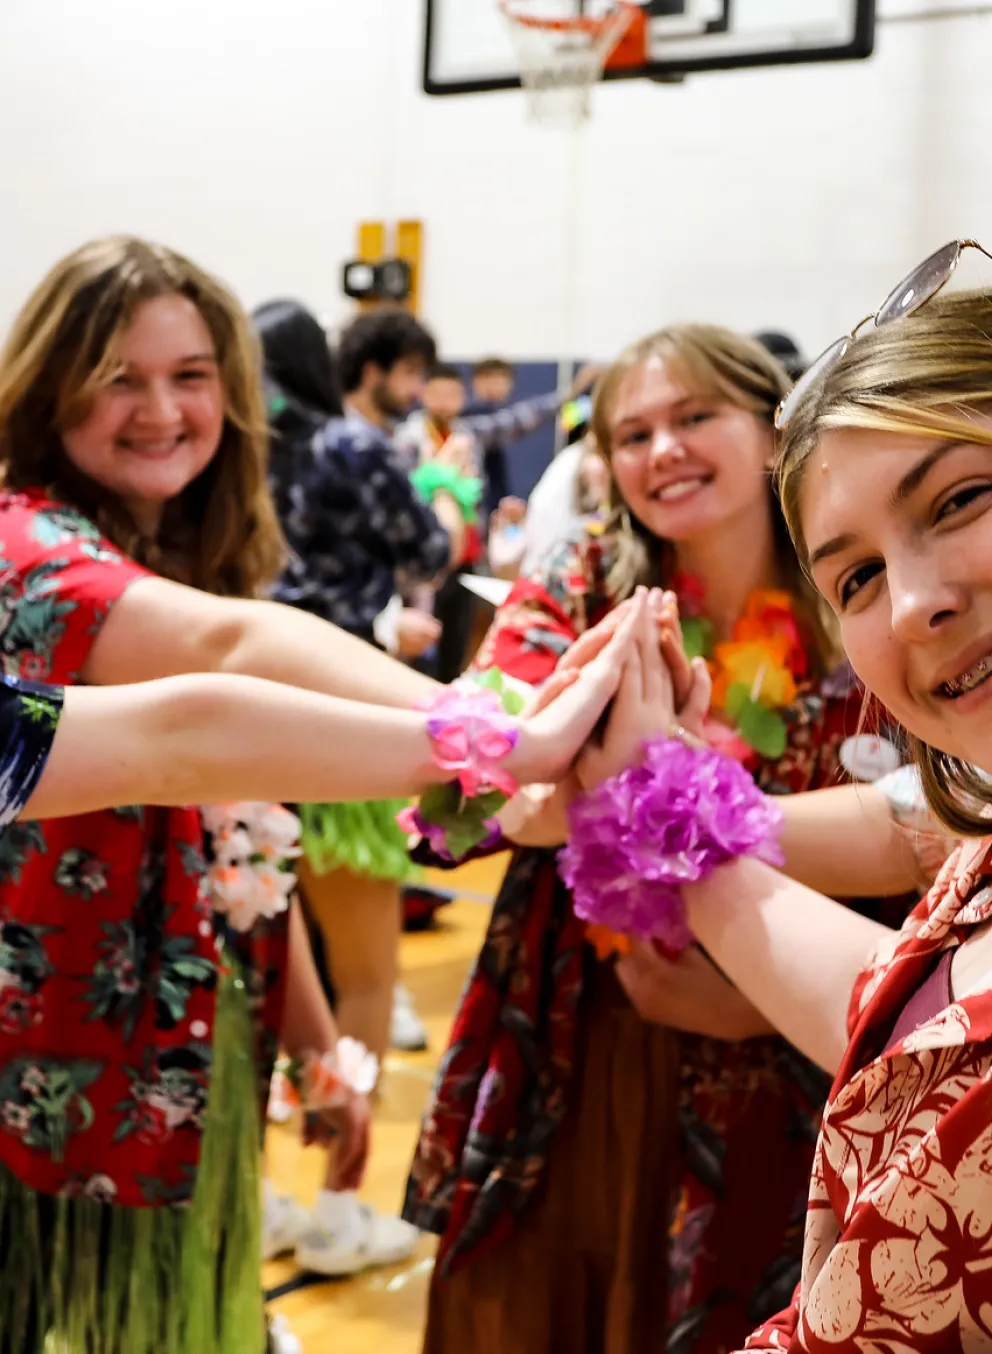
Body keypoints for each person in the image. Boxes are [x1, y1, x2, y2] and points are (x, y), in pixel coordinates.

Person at [0, 232, 636, 1354]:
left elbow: (230, 828)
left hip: (178, 1070)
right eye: (118, 378)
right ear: (49, 387)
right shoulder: (24, 547)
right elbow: (214, 675)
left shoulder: (174, 546)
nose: (161, 409)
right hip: (42, 1104)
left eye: (190, 376)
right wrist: (501, 739)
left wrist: (315, 1048)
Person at [404, 324, 921, 1354]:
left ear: (774, 431)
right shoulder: (589, 571)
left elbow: (935, 825)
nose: (661, 451)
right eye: (631, 433)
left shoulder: (850, 579)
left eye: (693, 418)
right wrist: (567, 772)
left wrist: (603, 787)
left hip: (795, 1032)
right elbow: (460, 796)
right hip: (588, 1015)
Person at [595, 255, 992, 1350]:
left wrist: (663, 803)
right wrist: (651, 796)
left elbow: (891, 825)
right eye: (855, 576)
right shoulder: (595, 579)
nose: (913, 604)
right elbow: (916, 1020)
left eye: (960, 499)